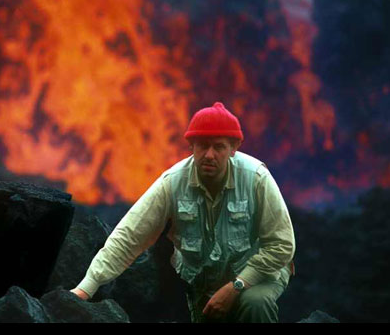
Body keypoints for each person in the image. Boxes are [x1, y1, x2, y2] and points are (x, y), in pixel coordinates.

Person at [71, 102, 295, 323]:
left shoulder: (256, 178)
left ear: (233, 148)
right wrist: (85, 289)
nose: (209, 155)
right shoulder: (173, 182)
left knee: (255, 304)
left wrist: (237, 286)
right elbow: (129, 237)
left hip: (259, 276)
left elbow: (282, 245)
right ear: (191, 146)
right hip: (205, 286)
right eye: (202, 146)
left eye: (218, 147)